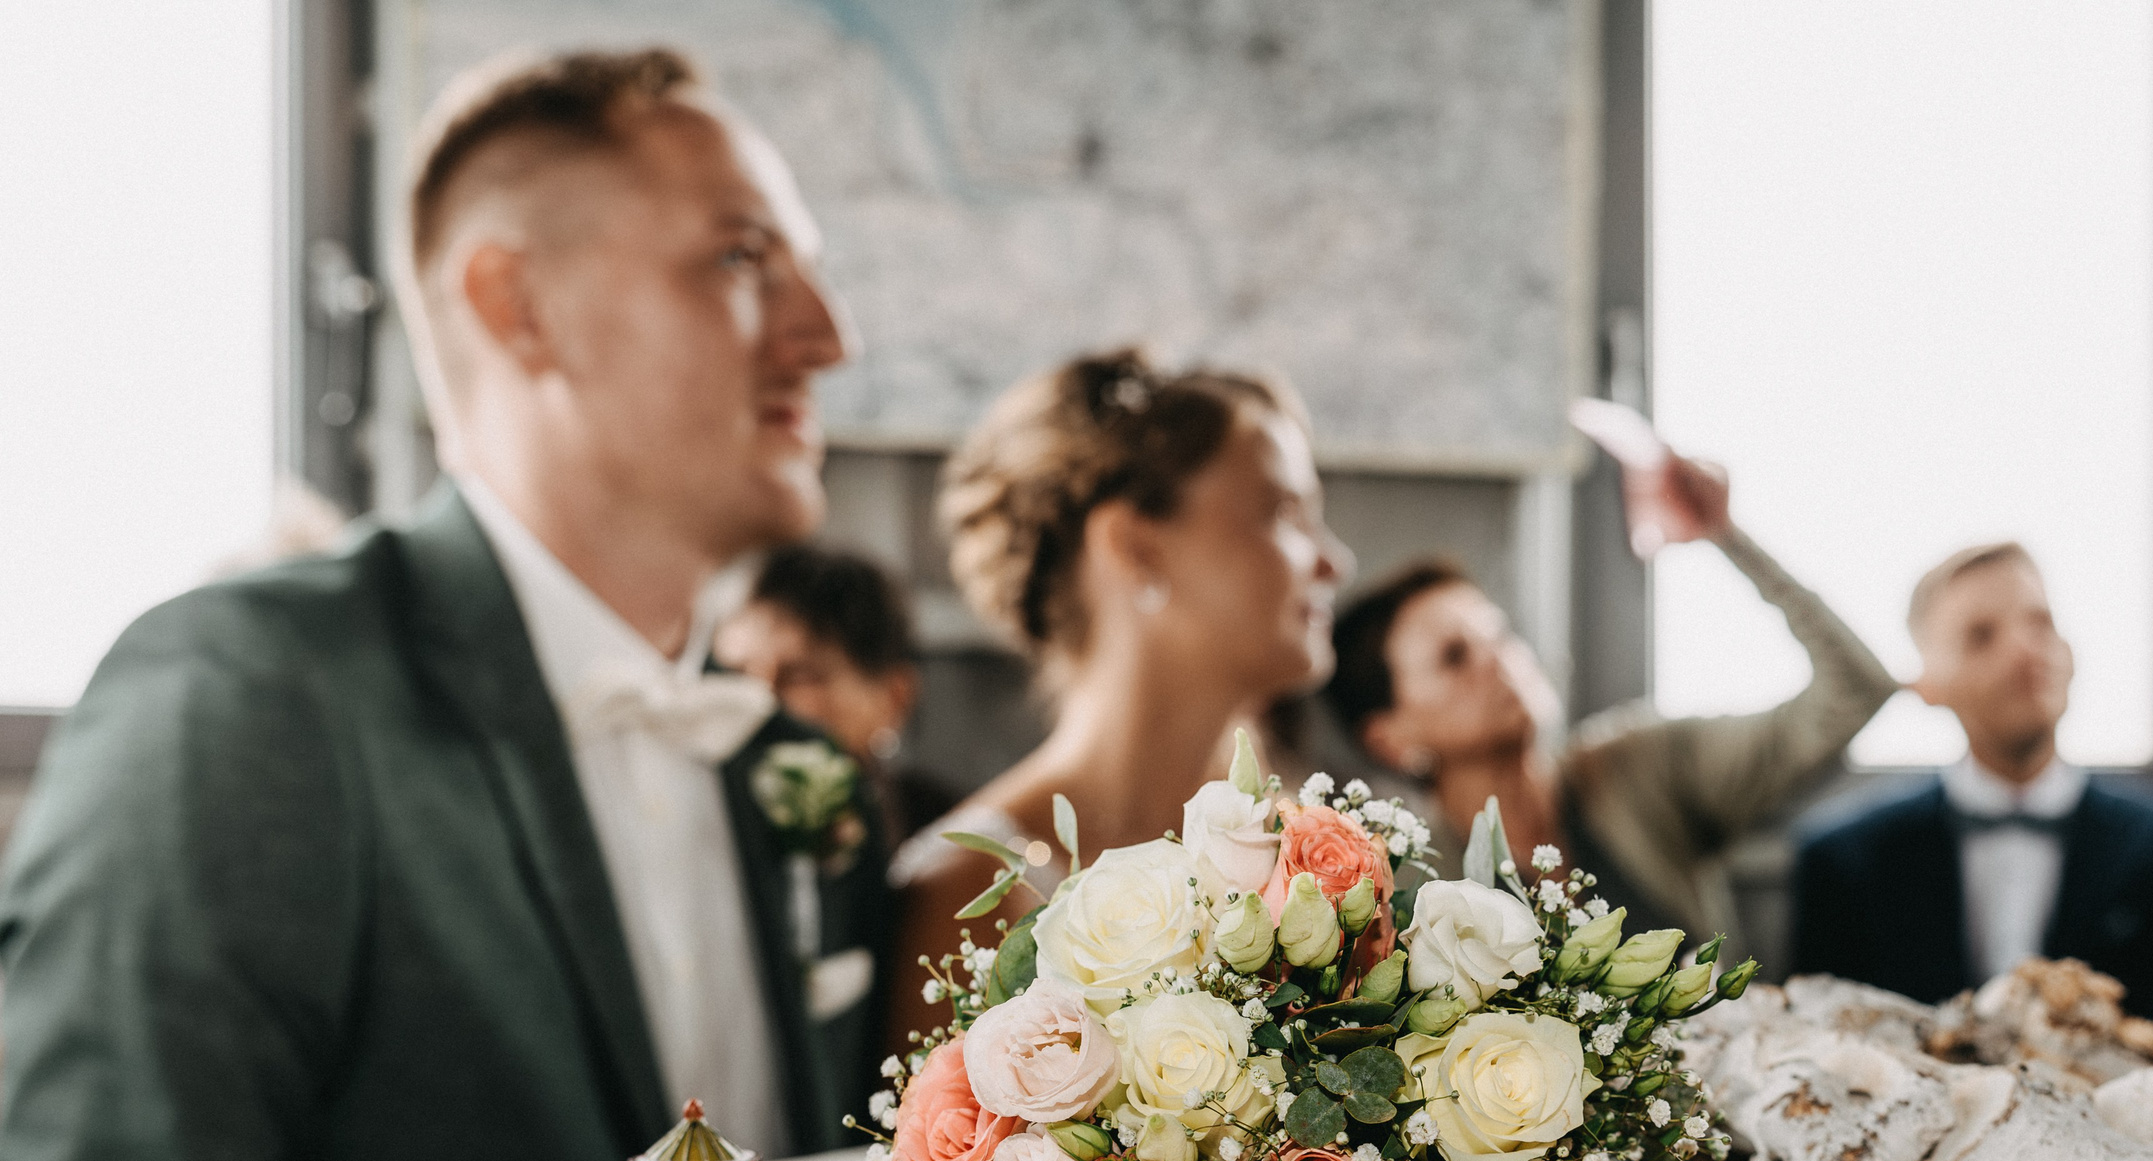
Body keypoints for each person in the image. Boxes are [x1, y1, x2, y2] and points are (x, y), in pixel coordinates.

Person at [0, 48, 857, 1161]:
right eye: (746, 259)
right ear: (516, 305)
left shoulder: (775, 771)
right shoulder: (251, 702)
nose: (831, 334)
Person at [883, 347, 1350, 1051]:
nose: (1331, 562)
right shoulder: (968, 893)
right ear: (1134, 544)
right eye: (1284, 512)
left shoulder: (1314, 864)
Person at [1323, 448, 1895, 951]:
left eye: (1499, 634)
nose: (1498, 658)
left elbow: (1856, 691)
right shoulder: (1405, 887)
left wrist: (1724, 534)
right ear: (1391, 739)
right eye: (1454, 656)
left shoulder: (1639, 766)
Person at [1791, 542, 2153, 1013]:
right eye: (1981, 635)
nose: (2025, 650)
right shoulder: (1844, 863)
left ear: (2070, 654)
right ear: (1926, 687)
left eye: (2041, 623)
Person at [716, 542, 958, 846]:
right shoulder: (703, 816)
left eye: (801, 677)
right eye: (735, 673)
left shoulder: (949, 836)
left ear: (894, 697)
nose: (756, 699)